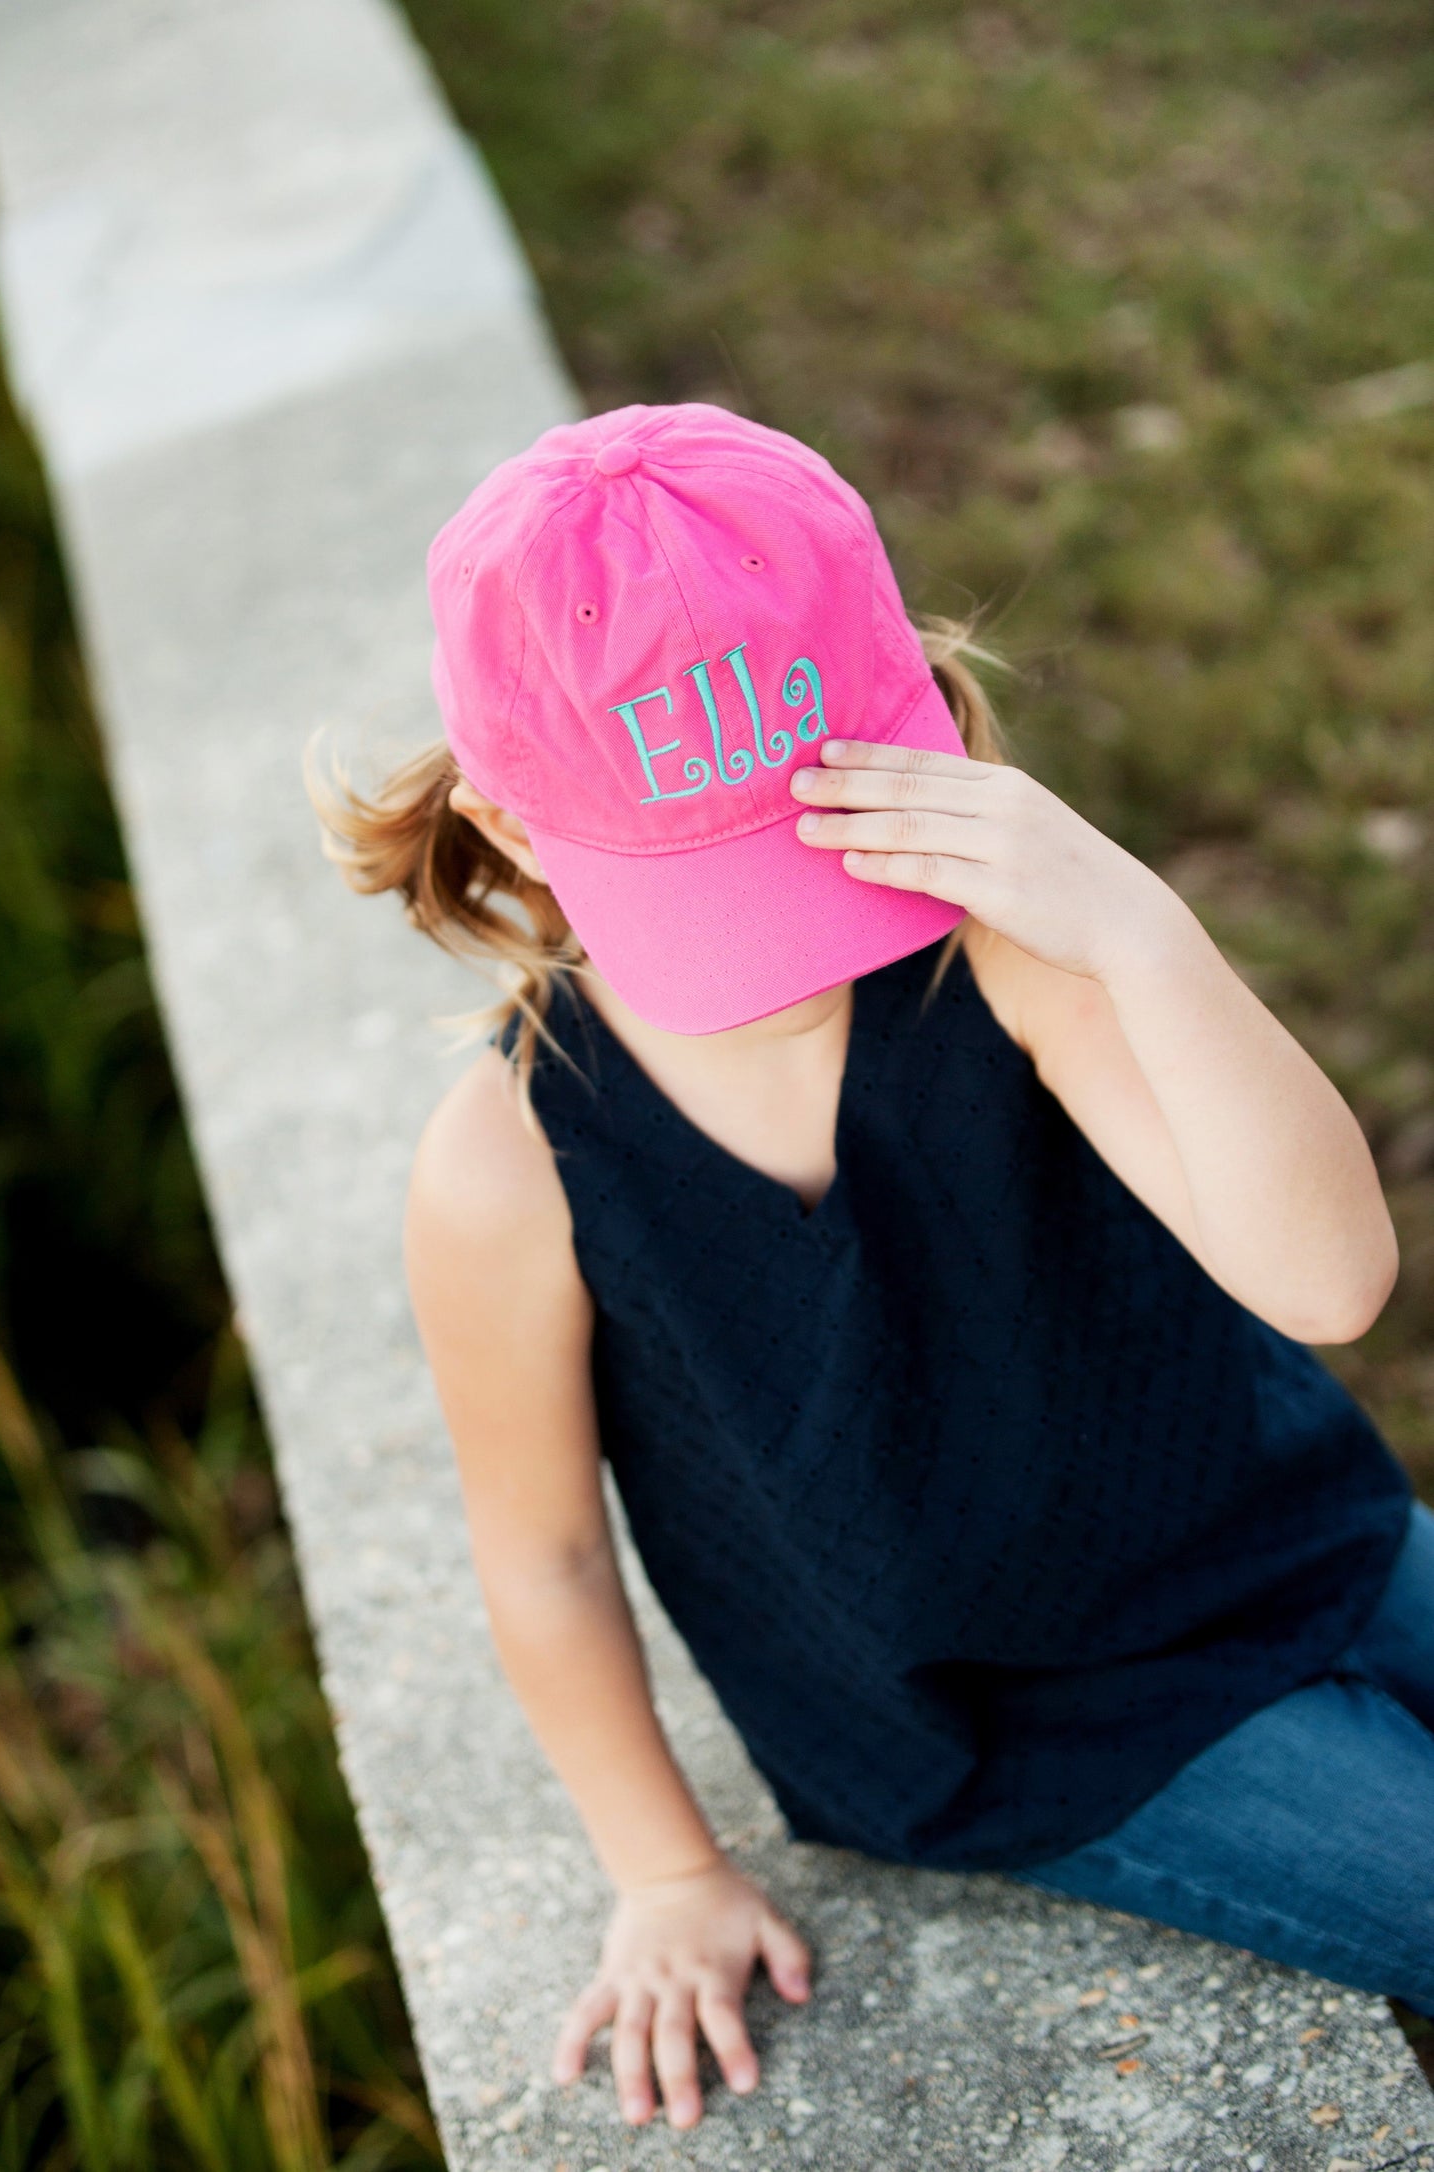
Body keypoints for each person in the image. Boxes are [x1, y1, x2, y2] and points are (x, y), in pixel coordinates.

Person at [306, 401, 1431, 2134]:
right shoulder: (510, 1168)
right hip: (1031, 1720)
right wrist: (661, 1865)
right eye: (723, 886)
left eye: (823, 839)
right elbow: (537, 1553)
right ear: (517, 829)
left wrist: (1138, 930)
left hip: (1287, 1527)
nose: (793, 947)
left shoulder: (1010, 964)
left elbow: (1329, 1280)